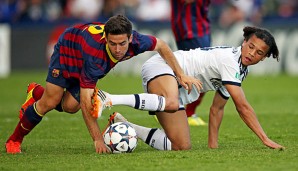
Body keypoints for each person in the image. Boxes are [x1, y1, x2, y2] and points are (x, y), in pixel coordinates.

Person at [5, 14, 200, 154]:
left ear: (131, 38)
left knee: (69, 107)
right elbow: (86, 100)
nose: (117, 49)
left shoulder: (137, 41)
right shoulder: (95, 56)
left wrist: (180, 74)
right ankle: (14, 139)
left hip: (83, 54)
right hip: (68, 50)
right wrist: (98, 139)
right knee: (49, 102)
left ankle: (37, 93)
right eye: (112, 43)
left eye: (122, 43)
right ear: (105, 39)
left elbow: (162, 45)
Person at [94, 26, 285, 151]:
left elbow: (216, 109)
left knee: (180, 145)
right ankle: (109, 98)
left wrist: (213, 147)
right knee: (170, 102)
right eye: (250, 46)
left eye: (259, 52)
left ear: (264, 58)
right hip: (163, 66)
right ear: (244, 42)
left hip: (174, 86)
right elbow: (242, 107)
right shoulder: (231, 62)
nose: (252, 53)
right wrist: (265, 139)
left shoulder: (240, 71)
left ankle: (127, 126)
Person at [170, 0, 211, 126]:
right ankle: (181, 111)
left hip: (202, 26)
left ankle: (180, 110)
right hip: (189, 29)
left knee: (194, 71)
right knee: (204, 71)